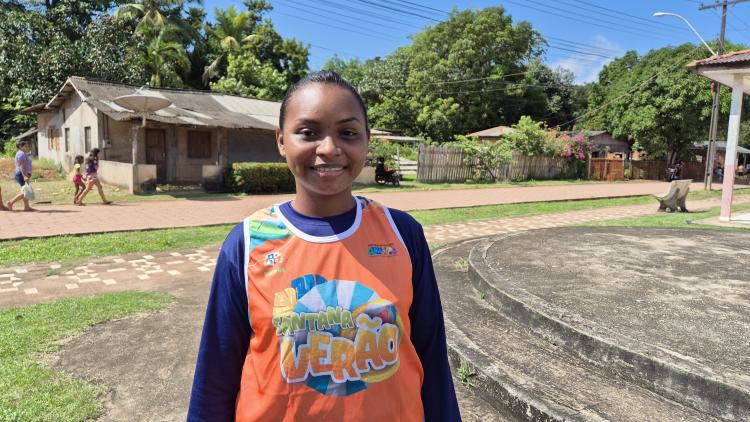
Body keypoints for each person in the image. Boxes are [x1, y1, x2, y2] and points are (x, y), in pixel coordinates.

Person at [188, 71, 460, 421]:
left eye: (348, 133)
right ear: (282, 140)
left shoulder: (402, 234)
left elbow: (431, 357)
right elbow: (215, 377)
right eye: (308, 132)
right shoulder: (247, 243)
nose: (329, 149)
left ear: (366, 140)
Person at [6, 140, 34, 211]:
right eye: (26, 146)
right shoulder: (21, 154)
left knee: (25, 190)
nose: (27, 147)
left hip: (23, 174)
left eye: (27, 146)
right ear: (21, 147)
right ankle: (11, 202)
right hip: (22, 174)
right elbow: (22, 166)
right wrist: (25, 176)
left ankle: (26, 207)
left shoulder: (21, 153)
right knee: (25, 192)